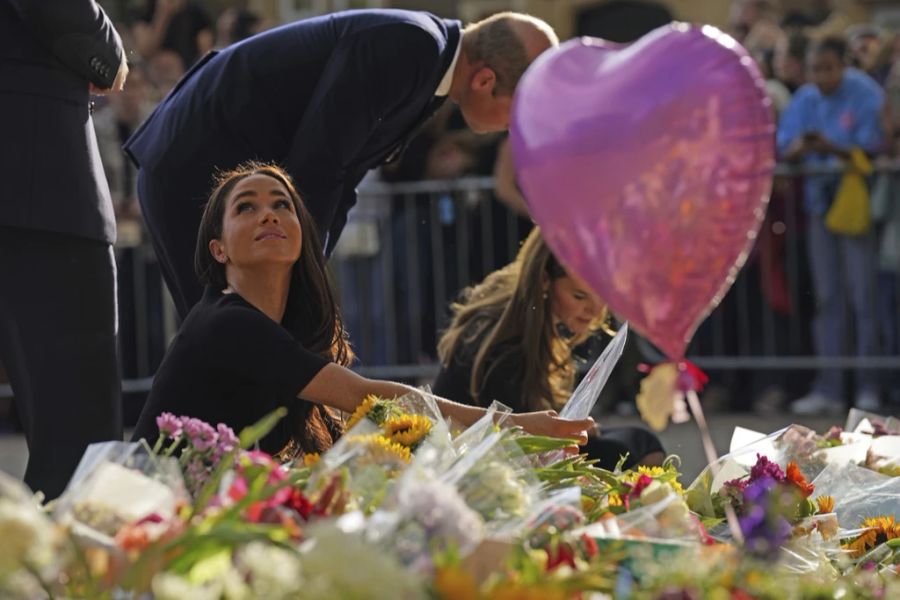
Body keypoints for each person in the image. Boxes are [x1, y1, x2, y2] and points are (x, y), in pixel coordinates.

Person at [131, 163, 593, 455]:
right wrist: (513, 425)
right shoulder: (227, 323)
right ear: (219, 250)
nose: (268, 214)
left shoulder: (273, 326)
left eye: (281, 205)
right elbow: (367, 396)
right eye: (245, 208)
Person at [124, 9, 559, 318]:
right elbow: (319, 163)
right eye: (517, 111)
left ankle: (223, 447)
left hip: (222, 172)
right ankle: (183, 446)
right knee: (222, 336)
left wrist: (306, 278)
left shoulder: (428, 58)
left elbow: (343, 177)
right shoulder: (413, 47)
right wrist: (298, 276)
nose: (511, 128)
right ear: (485, 80)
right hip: (196, 165)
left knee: (241, 338)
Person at [0, 0, 128, 499]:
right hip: (39, 192)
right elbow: (101, 50)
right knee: (79, 453)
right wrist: (112, 58)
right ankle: (76, 574)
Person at [432, 228, 665, 470]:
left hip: (502, 446)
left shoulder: (526, 322)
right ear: (545, 281)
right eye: (579, 296)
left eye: (601, 295)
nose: (594, 310)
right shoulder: (505, 341)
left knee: (635, 442)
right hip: (471, 458)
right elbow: (520, 429)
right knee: (638, 445)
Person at [777, 35, 886, 415]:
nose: (822, 77)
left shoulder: (865, 93)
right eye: (816, 69)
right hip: (820, 210)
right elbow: (784, 143)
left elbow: (875, 144)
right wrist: (802, 149)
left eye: (829, 68)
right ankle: (830, 387)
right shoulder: (805, 97)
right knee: (828, 301)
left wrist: (832, 148)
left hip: (858, 212)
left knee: (863, 300)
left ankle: (869, 387)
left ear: (844, 65)